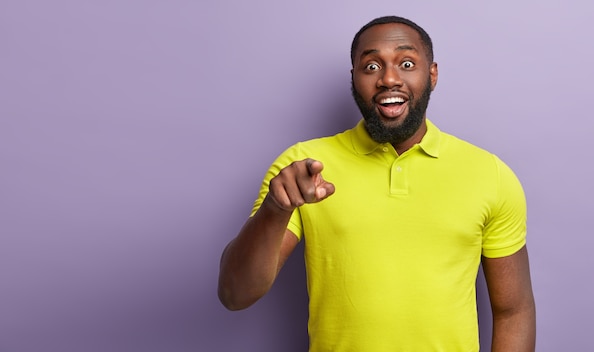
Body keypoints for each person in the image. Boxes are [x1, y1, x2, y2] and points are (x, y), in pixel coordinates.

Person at [218, 15, 536, 351]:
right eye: (371, 67)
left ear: (432, 74)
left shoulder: (489, 174)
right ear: (353, 78)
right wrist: (275, 208)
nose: (388, 78)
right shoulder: (303, 167)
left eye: (407, 63)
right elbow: (235, 294)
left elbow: (513, 312)